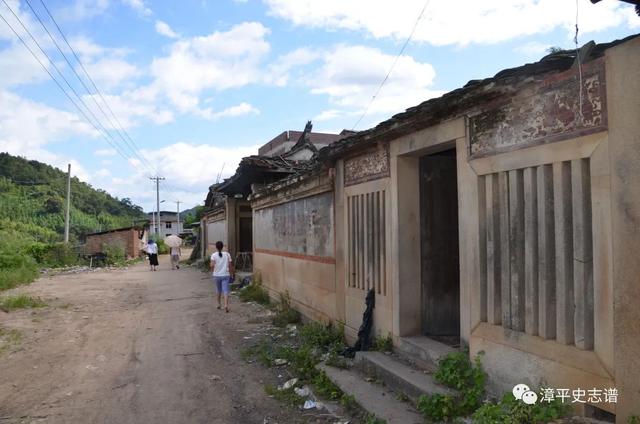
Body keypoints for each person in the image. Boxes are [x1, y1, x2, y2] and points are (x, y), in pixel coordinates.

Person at [210, 241, 234, 313]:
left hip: (217, 275)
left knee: (218, 290)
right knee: (226, 290)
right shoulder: (227, 254)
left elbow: (212, 265)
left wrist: (213, 270)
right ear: (223, 247)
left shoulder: (214, 255)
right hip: (226, 275)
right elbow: (230, 266)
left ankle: (219, 304)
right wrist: (231, 273)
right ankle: (226, 305)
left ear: (216, 247)